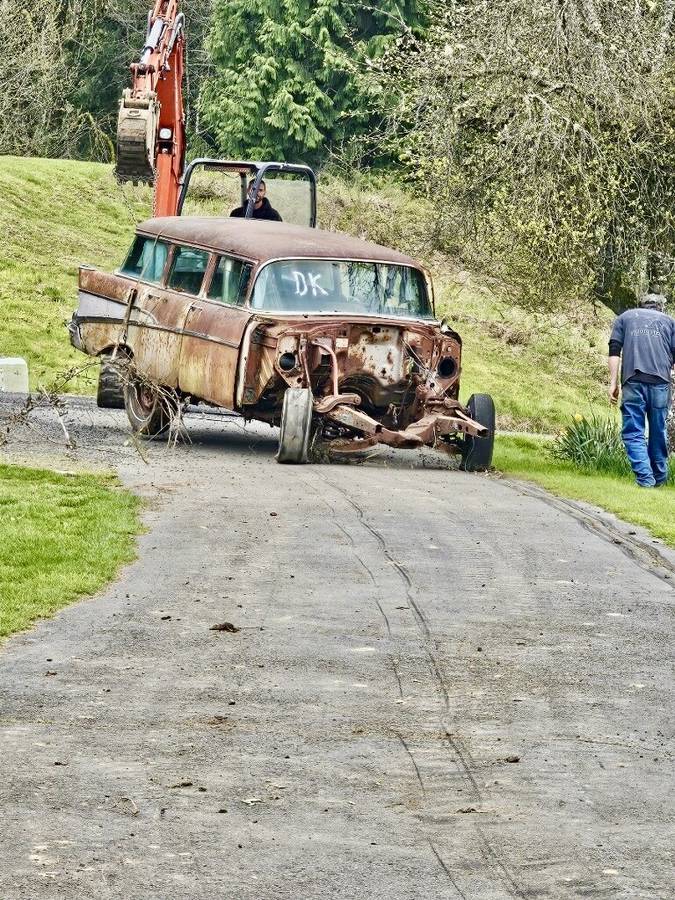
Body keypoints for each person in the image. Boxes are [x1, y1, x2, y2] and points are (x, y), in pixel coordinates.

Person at [608, 288, 675, 487]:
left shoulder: (624, 318)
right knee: (658, 431)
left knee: (633, 432)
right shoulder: (670, 322)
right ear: (660, 307)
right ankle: (659, 479)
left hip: (633, 380)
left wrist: (613, 383)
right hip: (661, 383)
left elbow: (614, 351)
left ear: (641, 304)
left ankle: (645, 479)